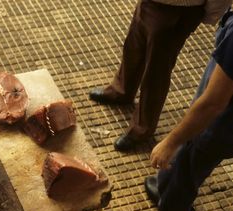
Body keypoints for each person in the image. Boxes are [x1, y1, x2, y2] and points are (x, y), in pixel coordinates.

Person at [122, 9, 233, 211]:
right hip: (221, 107)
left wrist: (171, 141)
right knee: (182, 164)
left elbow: (213, 103)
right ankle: (165, 187)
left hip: (220, 123)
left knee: (185, 167)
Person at [89, 0, 231, 152]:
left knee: (156, 71)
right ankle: (122, 91)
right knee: (133, 48)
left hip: (179, 9)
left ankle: (142, 129)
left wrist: (209, 14)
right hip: (150, 3)